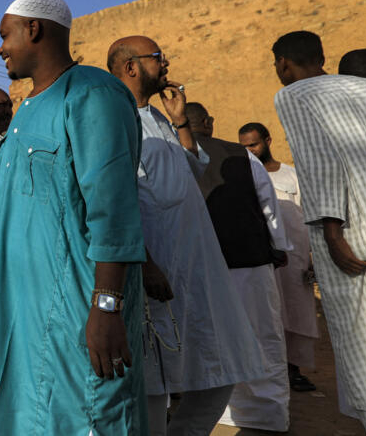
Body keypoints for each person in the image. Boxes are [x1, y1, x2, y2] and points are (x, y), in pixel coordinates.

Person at [0, 0, 147, 434]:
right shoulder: (29, 108)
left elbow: (114, 212)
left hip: (78, 310)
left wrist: (106, 308)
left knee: (87, 414)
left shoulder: (93, 94)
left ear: (34, 29)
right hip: (25, 311)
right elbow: (8, 182)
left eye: (4, 35)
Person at [107, 35, 265, 436]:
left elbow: (191, 172)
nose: (166, 64)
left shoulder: (158, 116)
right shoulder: (111, 118)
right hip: (155, 268)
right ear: (130, 67)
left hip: (197, 265)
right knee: (152, 384)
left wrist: (179, 121)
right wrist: (144, 261)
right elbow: (112, 199)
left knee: (218, 372)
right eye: (158, 57)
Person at [272, 30, 366, 429]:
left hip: (354, 228)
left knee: (359, 340)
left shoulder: (295, 94)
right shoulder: (361, 87)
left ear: (283, 64)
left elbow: (320, 162)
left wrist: (333, 233)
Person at [184, 103, 292, 432]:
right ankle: (268, 413)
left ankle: (225, 413)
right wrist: (279, 247)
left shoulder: (172, 156)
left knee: (210, 340)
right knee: (262, 336)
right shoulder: (244, 156)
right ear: (208, 123)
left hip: (199, 269)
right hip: (250, 262)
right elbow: (268, 207)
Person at [239, 121, 319, 392]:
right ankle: (270, 372)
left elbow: (308, 215)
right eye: (244, 146)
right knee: (268, 312)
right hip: (262, 257)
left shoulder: (292, 175)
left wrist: (313, 258)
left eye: (254, 144)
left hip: (295, 258)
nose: (249, 150)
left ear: (268, 141)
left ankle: (293, 370)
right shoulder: (244, 177)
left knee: (297, 313)